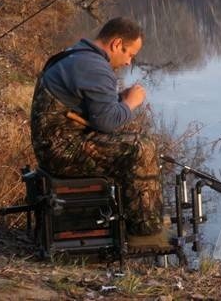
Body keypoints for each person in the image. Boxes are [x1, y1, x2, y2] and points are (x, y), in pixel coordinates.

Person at [30, 17, 163, 236]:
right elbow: (107, 122)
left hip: (53, 145)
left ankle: (126, 216)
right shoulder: (96, 68)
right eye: (130, 53)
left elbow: (95, 106)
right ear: (116, 44)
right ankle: (145, 230)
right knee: (142, 148)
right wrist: (131, 102)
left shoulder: (78, 53)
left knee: (133, 145)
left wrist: (119, 99)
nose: (129, 61)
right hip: (62, 152)